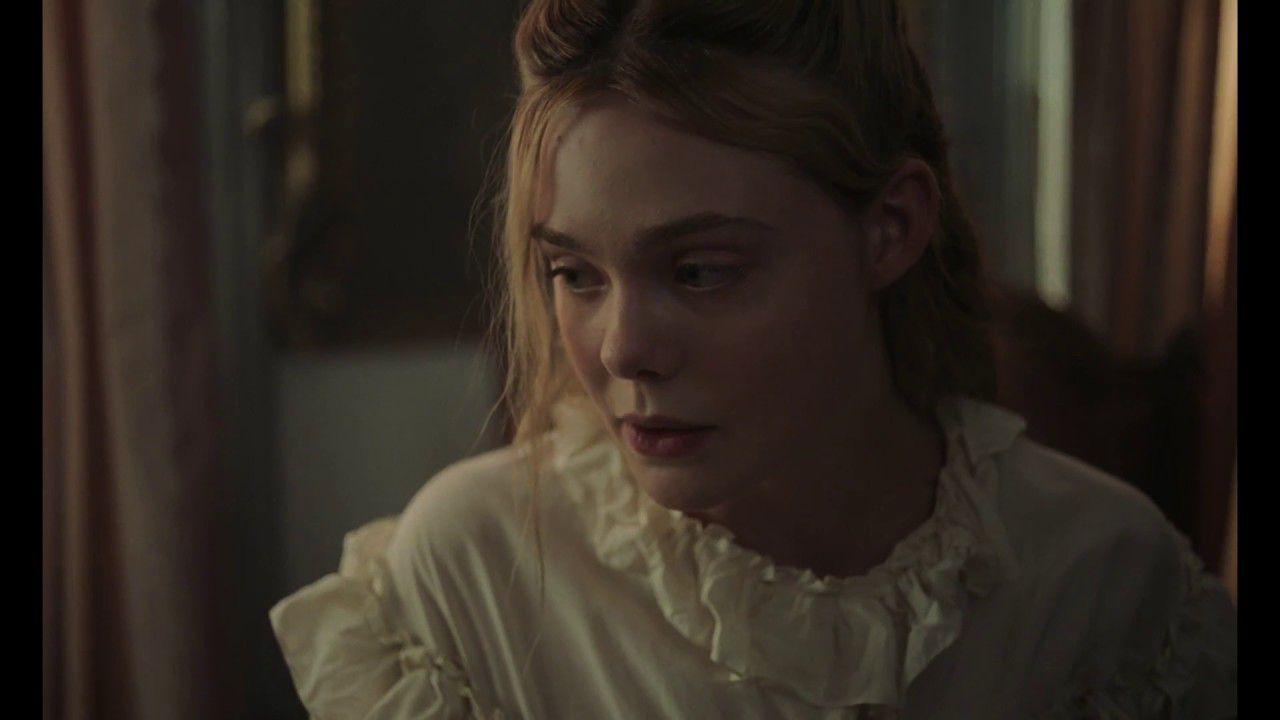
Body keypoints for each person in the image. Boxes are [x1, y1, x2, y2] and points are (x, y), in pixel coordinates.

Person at [269, 1, 1238, 717]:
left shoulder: (1104, 582)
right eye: (575, 273)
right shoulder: (471, 573)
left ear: (890, 228)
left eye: (700, 271)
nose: (623, 348)